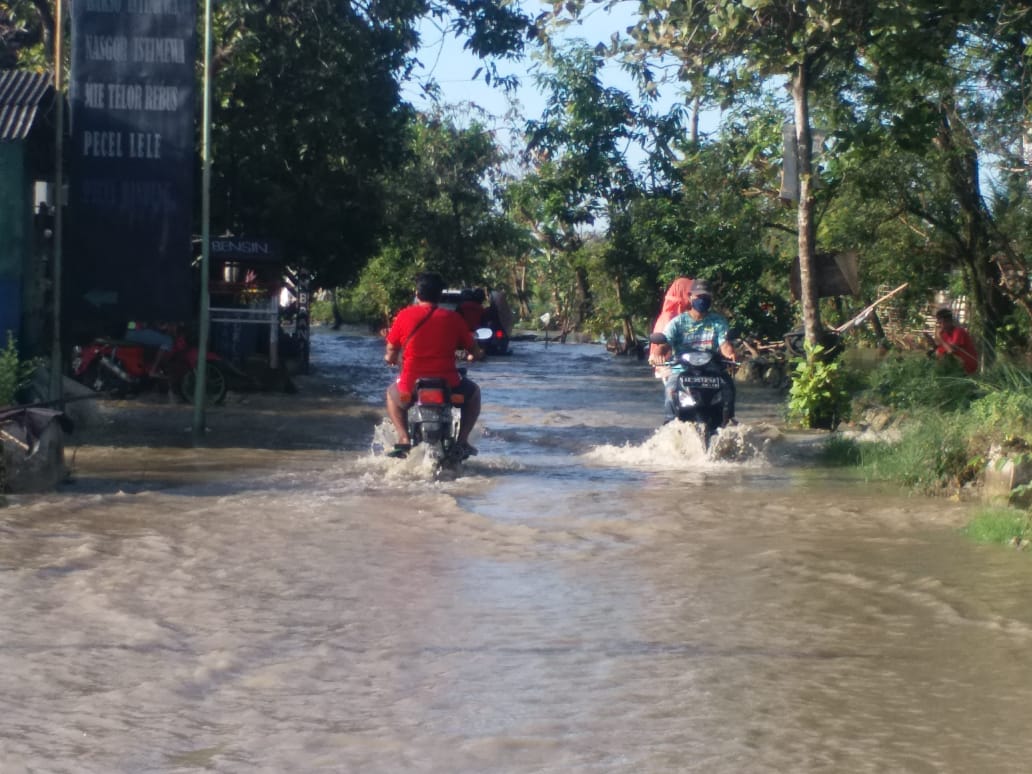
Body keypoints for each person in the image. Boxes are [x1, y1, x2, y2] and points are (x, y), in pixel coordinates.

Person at [383, 271, 484, 459]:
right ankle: (462, 441)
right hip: (449, 384)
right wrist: (476, 354)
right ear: (440, 294)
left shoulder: (403, 316)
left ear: (417, 293)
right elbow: (473, 349)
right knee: (474, 393)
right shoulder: (453, 318)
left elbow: (390, 352)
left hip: (410, 384)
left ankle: (404, 438)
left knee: (391, 394)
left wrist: (390, 358)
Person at [656, 279, 737, 423]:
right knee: (671, 391)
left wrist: (730, 353)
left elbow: (724, 343)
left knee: (728, 386)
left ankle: (728, 421)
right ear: (690, 297)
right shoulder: (677, 322)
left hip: (712, 369)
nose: (702, 300)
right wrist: (659, 354)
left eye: (706, 297)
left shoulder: (718, 321)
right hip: (682, 370)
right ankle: (670, 425)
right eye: (699, 296)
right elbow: (665, 343)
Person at [647, 277, 694, 370]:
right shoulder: (669, 318)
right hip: (671, 366)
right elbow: (663, 344)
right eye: (688, 293)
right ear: (682, 292)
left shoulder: (691, 316)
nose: (691, 297)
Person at [929, 307, 978, 374]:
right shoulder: (945, 333)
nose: (940, 326)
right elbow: (942, 348)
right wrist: (933, 344)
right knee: (934, 354)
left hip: (967, 365)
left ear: (948, 321)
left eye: (940, 323)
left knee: (942, 356)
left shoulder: (958, 332)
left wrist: (940, 338)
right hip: (957, 364)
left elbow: (950, 351)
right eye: (939, 323)